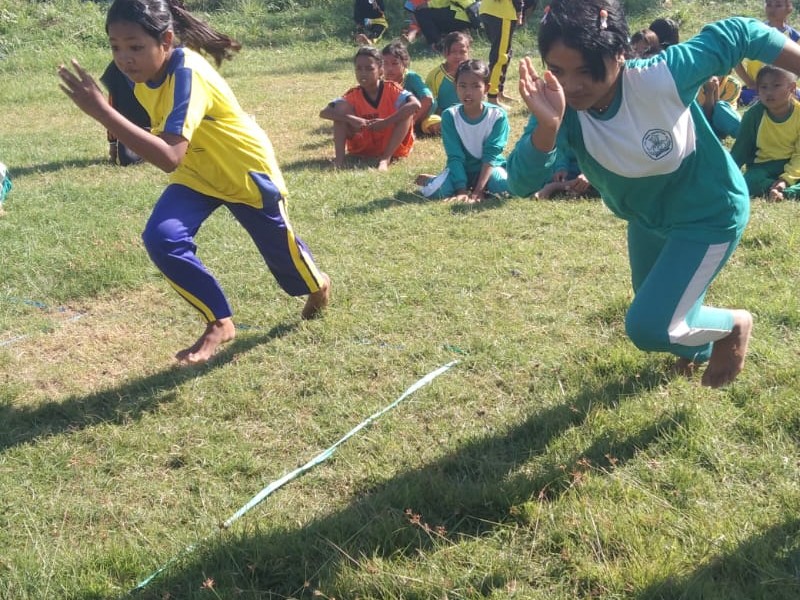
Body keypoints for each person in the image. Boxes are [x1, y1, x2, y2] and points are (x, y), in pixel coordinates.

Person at [506, 0, 800, 388]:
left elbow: (738, 33)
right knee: (662, 308)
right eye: (558, 70)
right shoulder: (561, 105)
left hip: (709, 213)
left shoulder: (660, 76)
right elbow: (520, 183)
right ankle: (697, 349)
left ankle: (732, 325)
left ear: (620, 54)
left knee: (648, 326)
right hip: (646, 220)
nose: (572, 85)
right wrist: (547, 127)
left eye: (587, 70)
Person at [58, 0, 331, 365]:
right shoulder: (140, 77)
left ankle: (318, 285)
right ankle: (219, 321)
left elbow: (169, 156)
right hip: (197, 174)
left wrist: (102, 111)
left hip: (243, 172)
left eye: (135, 46)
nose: (124, 58)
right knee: (163, 237)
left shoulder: (188, 74)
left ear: (166, 40)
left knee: (287, 262)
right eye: (115, 47)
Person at [416, 59, 510, 202]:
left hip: (489, 168)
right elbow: (455, 156)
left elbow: (491, 155)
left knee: (506, 189)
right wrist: (461, 190)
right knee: (437, 192)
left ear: (486, 88)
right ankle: (432, 180)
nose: (468, 92)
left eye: (475, 86)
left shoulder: (497, 116)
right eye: (462, 86)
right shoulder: (450, 116)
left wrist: (478, 191)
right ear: (456, 87)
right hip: (461, 169)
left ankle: (481, 185)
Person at [319, 46, 420, 171]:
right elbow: (324, 112)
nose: (363, 73)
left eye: (369, 69)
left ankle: (385, 159)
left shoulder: (392, 89)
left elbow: (415, 104)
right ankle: (339, 161)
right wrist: (351, 119)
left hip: (394, 146)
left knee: (407, 112)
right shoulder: (353, 94)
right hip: (364, 147)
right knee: (340, 114)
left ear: (380, 70)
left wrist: (386, 122)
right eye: (359, 69)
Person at [731, 65, 800, 201]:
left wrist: (785, 180)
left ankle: (785, 192)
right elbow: (741, 150)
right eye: (764, 87)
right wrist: (726, 176)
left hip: (794, 164)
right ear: (757, 89)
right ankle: (776, 191)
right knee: (749, 181)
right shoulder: (753, 115)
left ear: (792, 88)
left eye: (776, 86)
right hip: (764, 166)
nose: (769, 92)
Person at [735, 0, 800, 106]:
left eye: (778, 5)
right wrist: (750, 83)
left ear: (789, 9)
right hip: (756, 89)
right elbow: (736, 60)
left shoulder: (795, 37)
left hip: (785, 89)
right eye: (769, 5)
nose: (772, 9)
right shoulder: (754, 32)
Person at [480, 0, 533, 107]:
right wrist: (519, 12)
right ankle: (492, 97)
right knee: (500, 57)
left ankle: (499, 92)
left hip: (486, 9)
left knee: (505, 52)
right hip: (503, 13)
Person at [381, 39, 440, 134]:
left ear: (404, 64)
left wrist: (411, 122)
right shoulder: (381, 81)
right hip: (396, 117)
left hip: (421, 116)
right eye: (385, 63)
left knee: (433, 124)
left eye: (395, 63)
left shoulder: (411, 77)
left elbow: (428, 99)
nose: (389, 68)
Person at [99, 61, 150, 165]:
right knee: (127, 159)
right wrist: (113, 143)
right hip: (132, 128)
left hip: (164, 126)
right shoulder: (117, 67)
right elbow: (112, 107)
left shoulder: (160, 64)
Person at [426, 30, 473, 129]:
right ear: (445, 53)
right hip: (442, 116)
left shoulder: (474, 73)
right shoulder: (435, 75)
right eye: (453, 52)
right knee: (429, 123)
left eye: (462, 52)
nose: (458, 56)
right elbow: (430, 103)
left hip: (468, 113)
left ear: (468, 52)